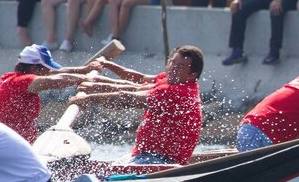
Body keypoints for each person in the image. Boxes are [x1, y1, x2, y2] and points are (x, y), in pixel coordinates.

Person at [69, 46, 204, 165]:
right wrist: (107, 68)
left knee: (104, 175)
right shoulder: (172, 81)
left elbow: (128, 98)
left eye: (179, 67)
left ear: (192, 75)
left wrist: (89, 98)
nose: (172, 69)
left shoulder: (178, 93)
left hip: (160, 160)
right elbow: (137, 81)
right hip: (147, 155)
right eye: (172, 62)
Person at [0, 44, 99, 142]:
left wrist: (84, 69)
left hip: (13, 141)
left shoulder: (12, 78)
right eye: (47, 69)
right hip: (4, 144)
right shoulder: (21, 81)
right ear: (35, 68)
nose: (50, 72)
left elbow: (55, 73)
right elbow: (55, 80)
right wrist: (85, 79)